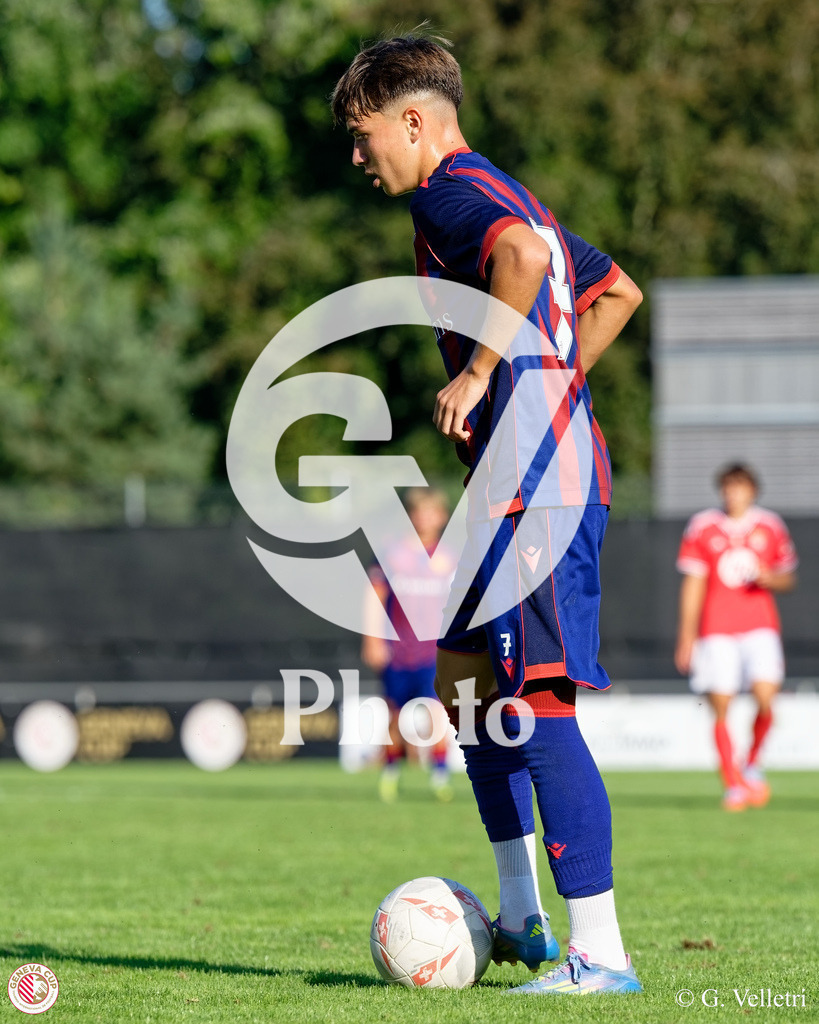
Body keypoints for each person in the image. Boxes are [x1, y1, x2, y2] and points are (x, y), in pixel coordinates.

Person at [332, 31, 644, 996]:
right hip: (506, 487)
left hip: (537, 491)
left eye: (362, 133)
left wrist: (482, 372)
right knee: (469, 694)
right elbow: (614, 290)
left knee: (538, 706)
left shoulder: (455, 194)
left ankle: (601, 956)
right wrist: (548, 381)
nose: (357, 156)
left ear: (413, 121)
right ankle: (521, 920)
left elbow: (514, 258)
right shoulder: (510, 193)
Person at [675, 463, 798, 811]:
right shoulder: (703, 526)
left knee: (765, 697)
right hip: (717, 630)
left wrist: (769, 577)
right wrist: (687, 635)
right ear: (721, 491)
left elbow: (788, 578)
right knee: (721, 705)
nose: (733, 493)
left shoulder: (770, 525)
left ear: (752, 491)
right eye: (728, 487)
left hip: (760, 627)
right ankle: (733, 784)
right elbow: (693, 583)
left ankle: (752, 763)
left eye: (740, 487)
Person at [361, 488, 458, 803]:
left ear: (442, 517)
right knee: (396, 714)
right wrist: (372, 638)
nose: (424, 519)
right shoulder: (391, 553)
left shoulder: (451, 557)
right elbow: (375, 595)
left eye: (431, 512)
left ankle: (440, 777)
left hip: (435, 650)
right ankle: (390, 773)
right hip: (398, 649)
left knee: (436, 712)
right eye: (418, 512)